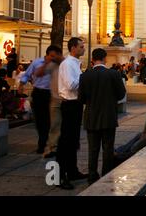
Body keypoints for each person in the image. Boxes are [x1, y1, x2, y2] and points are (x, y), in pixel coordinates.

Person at [78, 48, 127, 185]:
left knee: (92, 148)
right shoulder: (114, 74)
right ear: (105, 58)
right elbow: (121, 94)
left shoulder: (85, 76)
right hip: (108, 116)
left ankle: (92, 175)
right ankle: (107, 174)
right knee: (108, 147)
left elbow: (80, 98)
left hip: (91, 116)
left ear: (92, 59)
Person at [19, 45, 62, 154]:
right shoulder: (37, 63)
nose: (53, 58)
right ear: (46, 55)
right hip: (38, 92)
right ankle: (43, 141)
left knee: (49, 119)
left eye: (55, 56)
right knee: (39, 119)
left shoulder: (58, 65)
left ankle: (47, 143)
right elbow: (27, 75)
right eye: (51, 55)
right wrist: (21, 85)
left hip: (51, 94)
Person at [56, 37, 87, 190]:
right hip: (69, 105)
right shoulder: (68, 64)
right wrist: (85, 78)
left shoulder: (74, 63)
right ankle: (60, 176)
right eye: (81, 46)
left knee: (74, 140)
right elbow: (71, 85)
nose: (84, 49)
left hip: (75, 105)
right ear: (73, 48)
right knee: (66, 141)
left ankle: (72, 171)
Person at [34, 48, 64, 159]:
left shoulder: (66, 64)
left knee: (64, 125)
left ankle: (62, 145)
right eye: (49, 56)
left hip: (66, 99)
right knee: (54, 124)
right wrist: (46, 64)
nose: (50, 58)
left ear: (59, 54)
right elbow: (38, 73)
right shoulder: (52, 65)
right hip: (55, 98)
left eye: (52, 55)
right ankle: (52, 147)